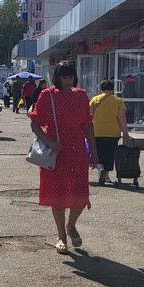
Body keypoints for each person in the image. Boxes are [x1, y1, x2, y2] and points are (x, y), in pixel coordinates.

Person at [29, 61, 98, 253]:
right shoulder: (47, 95)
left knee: (80, 195)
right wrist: (50, 142)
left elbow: (87, 125)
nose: (67, 81)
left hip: (77, 153)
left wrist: (94, 151)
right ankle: (61, 236)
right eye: (63, 77)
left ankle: (71, 225)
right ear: (57, 78)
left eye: (70, 77)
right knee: (57, 196)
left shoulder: (81, 95)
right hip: (56, 153)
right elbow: (35, 124)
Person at [89, 79, 131, 184]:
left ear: (101, 89)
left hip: (97, 131)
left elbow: (88, 116)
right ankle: (106, 175)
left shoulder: (94, 100)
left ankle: (101, 169)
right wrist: (125, 133)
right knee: (110, 154)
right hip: (113, 132)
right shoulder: (118, 101)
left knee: (98, 153)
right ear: (112, 89)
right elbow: (121, 117)